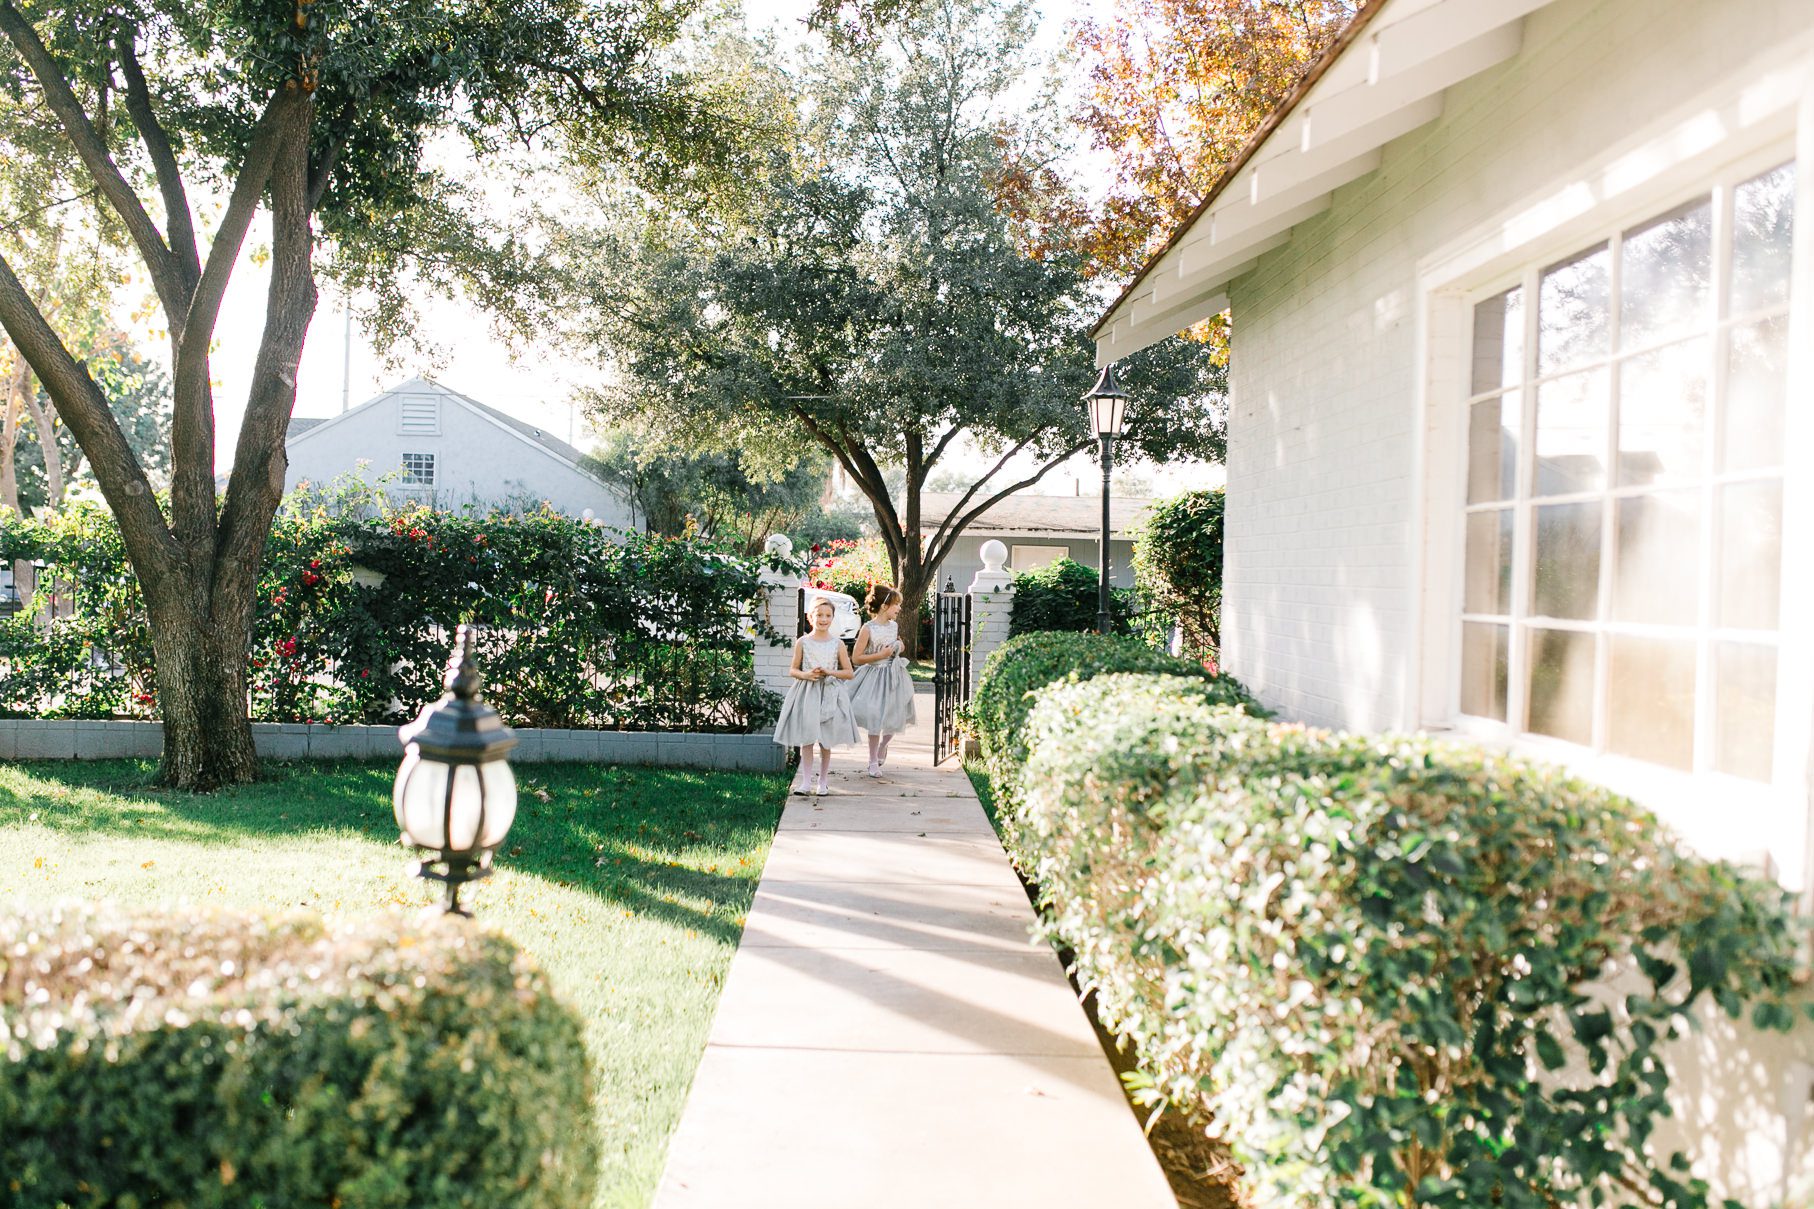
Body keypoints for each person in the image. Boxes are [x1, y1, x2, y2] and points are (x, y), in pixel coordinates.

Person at [772, 598, 859, 795]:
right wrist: (807, 675)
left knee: (825, 740)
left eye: (828, 615)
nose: (823, 619)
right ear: (810, 617)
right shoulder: (803, 642)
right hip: (808, 693)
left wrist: (830, 672)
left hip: (830, 694)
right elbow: (793, 670)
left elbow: (849, 672)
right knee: (808, 738)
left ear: (832, 618)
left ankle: (823, 782)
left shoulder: (838, 644)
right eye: (819, 615)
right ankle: (805, 782)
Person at [848, 584, 916, 777]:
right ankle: (872, 762)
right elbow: (856, 658)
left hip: (894, 675)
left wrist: (899, 646)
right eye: (896, 604)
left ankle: (883, 746)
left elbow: (896, 646)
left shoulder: (894, 626)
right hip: (874, 676)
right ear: (885, 606)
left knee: (895, 714)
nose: (899, 608)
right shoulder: (867, 629)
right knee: (875, 718)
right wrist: (880, 655)